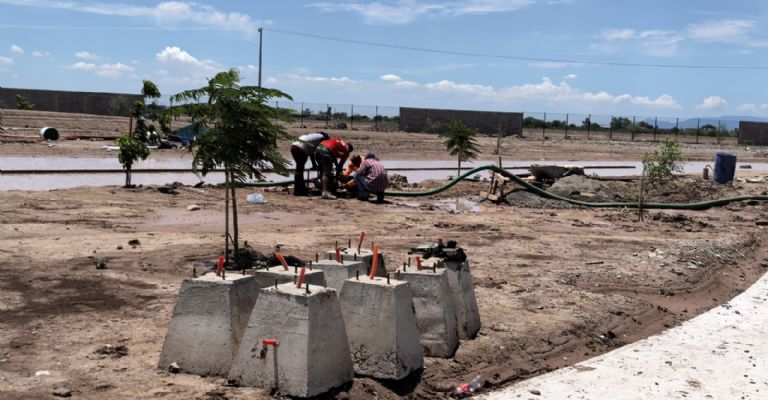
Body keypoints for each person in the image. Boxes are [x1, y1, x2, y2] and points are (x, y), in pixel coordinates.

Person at [290, 132, 329, 196]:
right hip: (301, 148)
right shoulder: (322, 138)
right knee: (299, 170)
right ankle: (299, 191)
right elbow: (318, 151)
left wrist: (314, 164)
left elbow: (312, 152)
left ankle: (299, 189)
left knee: (299, 169)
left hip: (294, 146)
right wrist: (317, 164)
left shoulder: (315, 136)